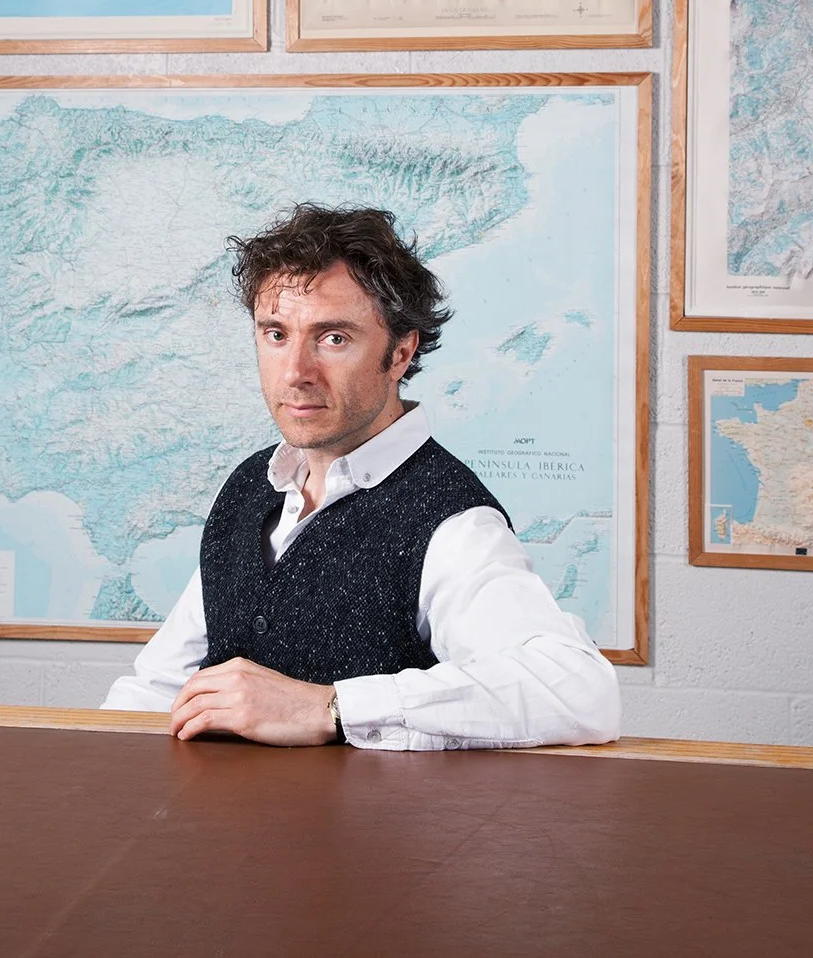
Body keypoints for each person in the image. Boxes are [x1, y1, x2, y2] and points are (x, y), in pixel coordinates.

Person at [103, 204, 621, 751]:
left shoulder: (451, 522)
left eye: (333, 338)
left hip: (376, 835)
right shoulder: (252, 485)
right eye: (276, 334)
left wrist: (332, 707)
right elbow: (160, 687)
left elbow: (581, 693)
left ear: (400, 352)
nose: (296, 373)